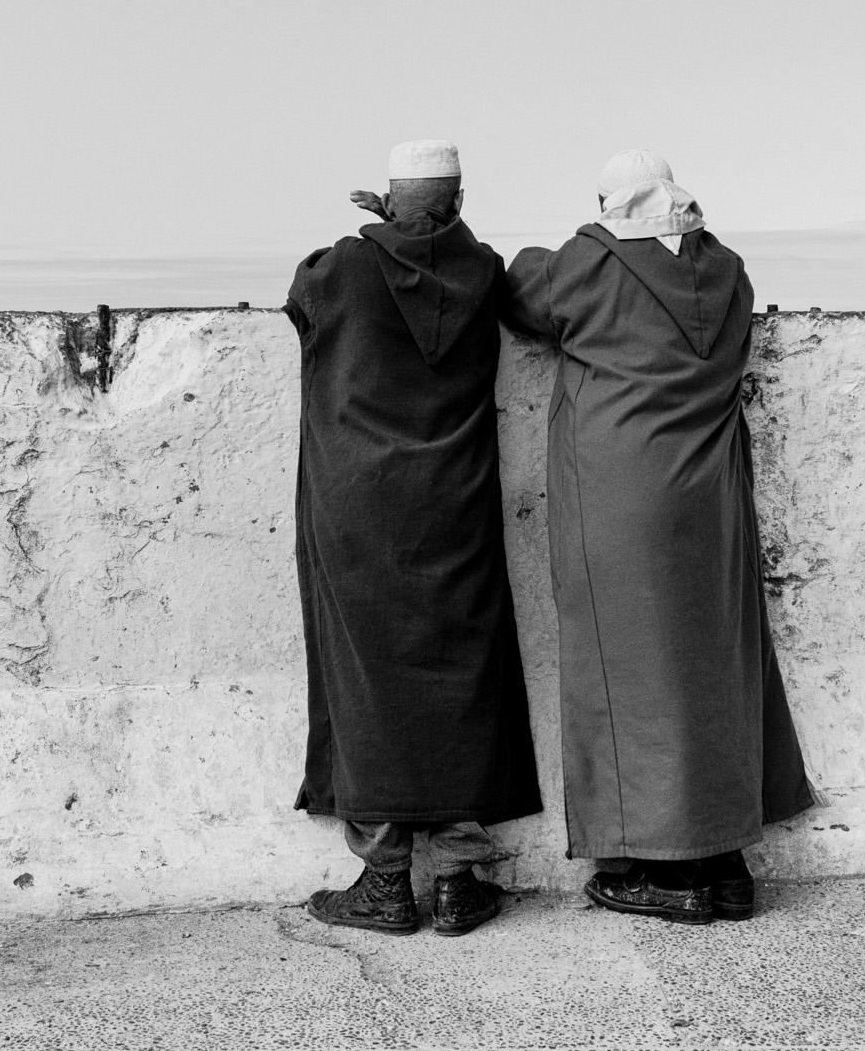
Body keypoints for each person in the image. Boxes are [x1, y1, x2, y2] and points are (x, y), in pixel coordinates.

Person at [502, 148, 814, 925]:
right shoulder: (728, 270)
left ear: (613, 205)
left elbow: (521, 293)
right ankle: (729, 865)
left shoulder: (585, 266)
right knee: (712, 667)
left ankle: (664, 872)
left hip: (618, 488)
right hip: (711, 494)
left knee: (629, 675)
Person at [284, 138, 541, 938]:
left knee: (369, 682)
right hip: (455, 503)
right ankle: (461, 879)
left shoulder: (345, 268)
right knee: (462, 674)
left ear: (390, 202)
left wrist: (378, 231)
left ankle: (385, 881)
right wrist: (420, 229)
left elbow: (305, 294)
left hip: (359, 506)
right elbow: (454, 259)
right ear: (460, 204)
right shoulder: (482, 269)